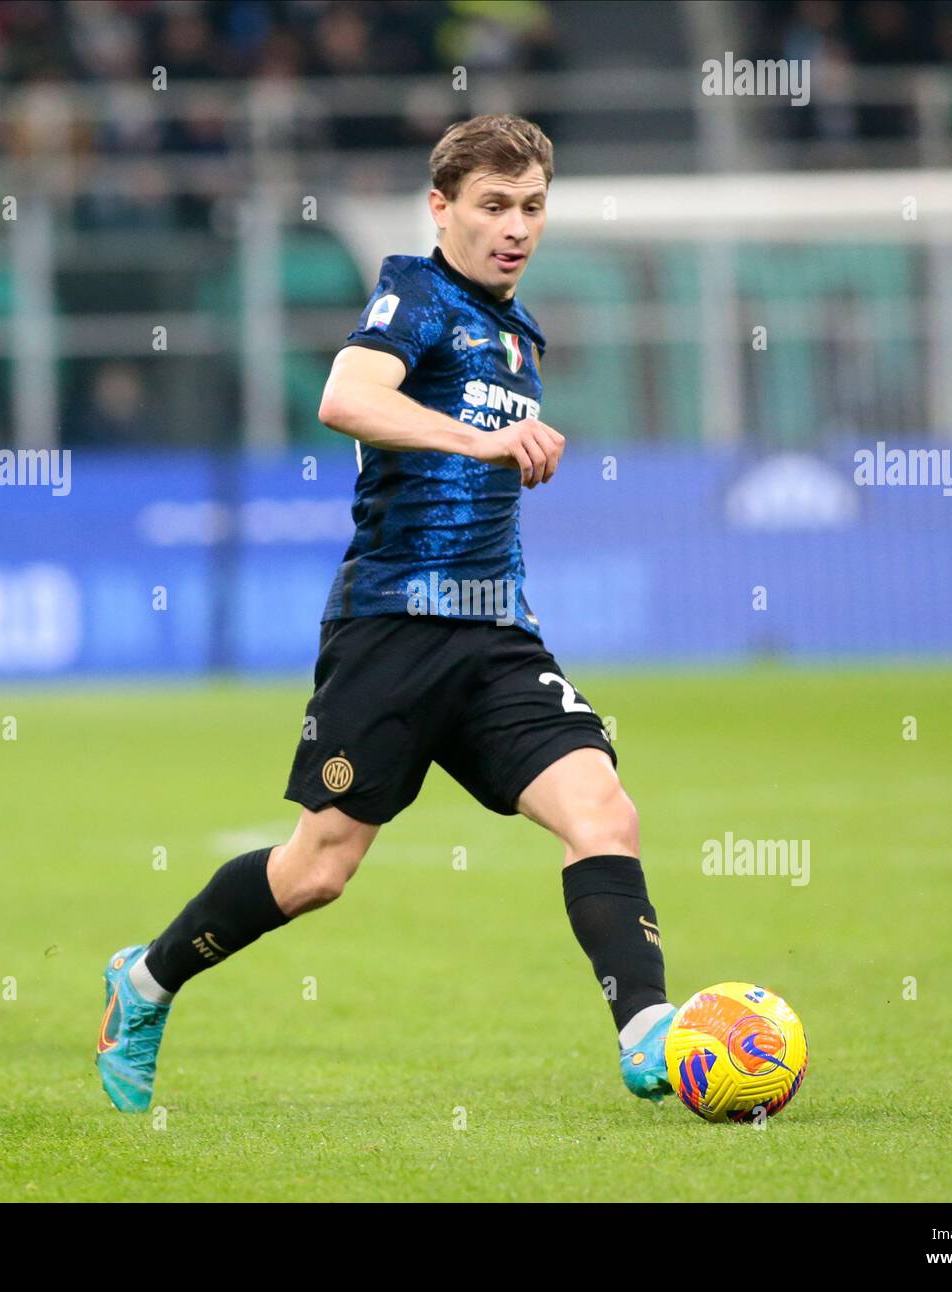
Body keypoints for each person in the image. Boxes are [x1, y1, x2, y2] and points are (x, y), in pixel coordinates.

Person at [95, 114, 678, 1112]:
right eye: (494, 205)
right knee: (319, 867)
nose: (516, 227)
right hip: (393, 626)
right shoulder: (414, 292)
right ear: (441, 207)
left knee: (603, 811)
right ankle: (144, 980)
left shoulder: (515, 329)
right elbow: (345, 396)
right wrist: (482, 442)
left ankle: (649, 1033)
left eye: (532, 206)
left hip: (496, 633)